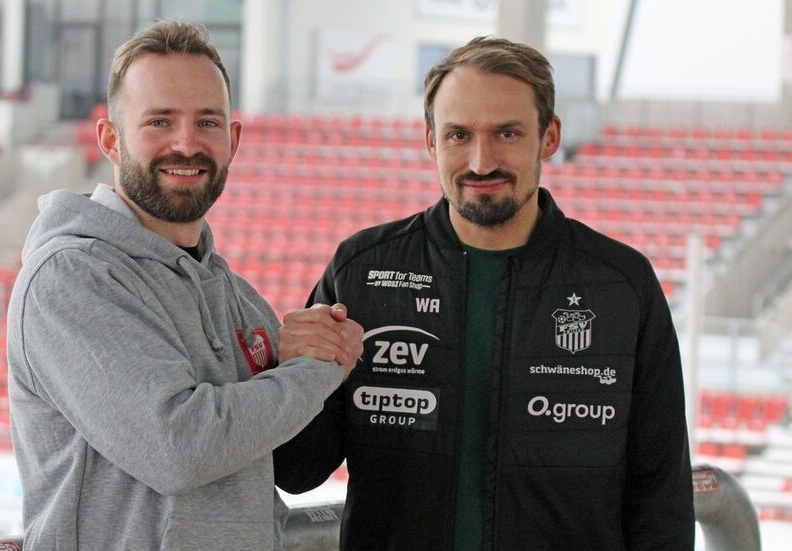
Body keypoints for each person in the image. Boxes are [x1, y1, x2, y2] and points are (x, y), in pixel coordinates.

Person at [273, 36, 694, 550]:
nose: (480, 162)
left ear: (549, 136)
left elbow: (662, 503)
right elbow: (296, 469)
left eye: (507, 133)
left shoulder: (621, 287)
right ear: (431, 141)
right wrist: (291, 373)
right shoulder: (363, 271)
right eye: (458, 135)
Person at [6, 20, 363, 550]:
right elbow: (178, 448)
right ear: (110, 139)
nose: (186, 144)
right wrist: (317, 368)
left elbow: (287, 461)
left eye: (207, 123)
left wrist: (308, 349)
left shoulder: (238, 297)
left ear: (233, 141)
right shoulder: (70, 277)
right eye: (159, 121)